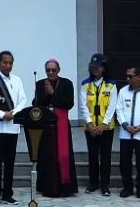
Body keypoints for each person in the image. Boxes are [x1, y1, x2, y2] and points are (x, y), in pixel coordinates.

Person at [0, 51, 27, 206]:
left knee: (10, 163)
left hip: (12, 128)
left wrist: (13, 113)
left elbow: (23, 100)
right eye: (5, 62)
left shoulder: (17, 80)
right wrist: (3, 114)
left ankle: (8, 194)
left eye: (10, 63)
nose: (8, 65)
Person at [31, 59, 78, 197]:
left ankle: (64, 188)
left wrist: (53, 93)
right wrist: (46, 94)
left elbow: (68, 103)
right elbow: (36, 103)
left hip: (61, 123)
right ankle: (48, 187)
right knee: (46, 156)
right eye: (48, 70)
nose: (50, 73)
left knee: (63, 155)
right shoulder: (40, 84)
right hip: (46, 126)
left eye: (53, 70)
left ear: (58, 70)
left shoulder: (67, 83)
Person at [79, 53, 117, 197]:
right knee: (92, 156)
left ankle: (104, 185)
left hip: (106, 127)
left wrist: (103, 124)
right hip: (90, 127)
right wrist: (89, 123)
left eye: (98, 66)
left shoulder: (111, 84)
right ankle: (93, 183)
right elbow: (83, 106)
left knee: (105, 157)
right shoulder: (85, 84)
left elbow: (112, 106)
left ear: (104, 68)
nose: (95, 69)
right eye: (93, 67)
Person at [115, 65, 140, 199]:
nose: (128, 79)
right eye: (127, 76)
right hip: (126, 134)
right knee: (124, 162)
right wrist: (125, 125)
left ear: (139, 77)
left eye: (130, 76)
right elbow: (119, 109)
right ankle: (127, 187)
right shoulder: (123, 91)